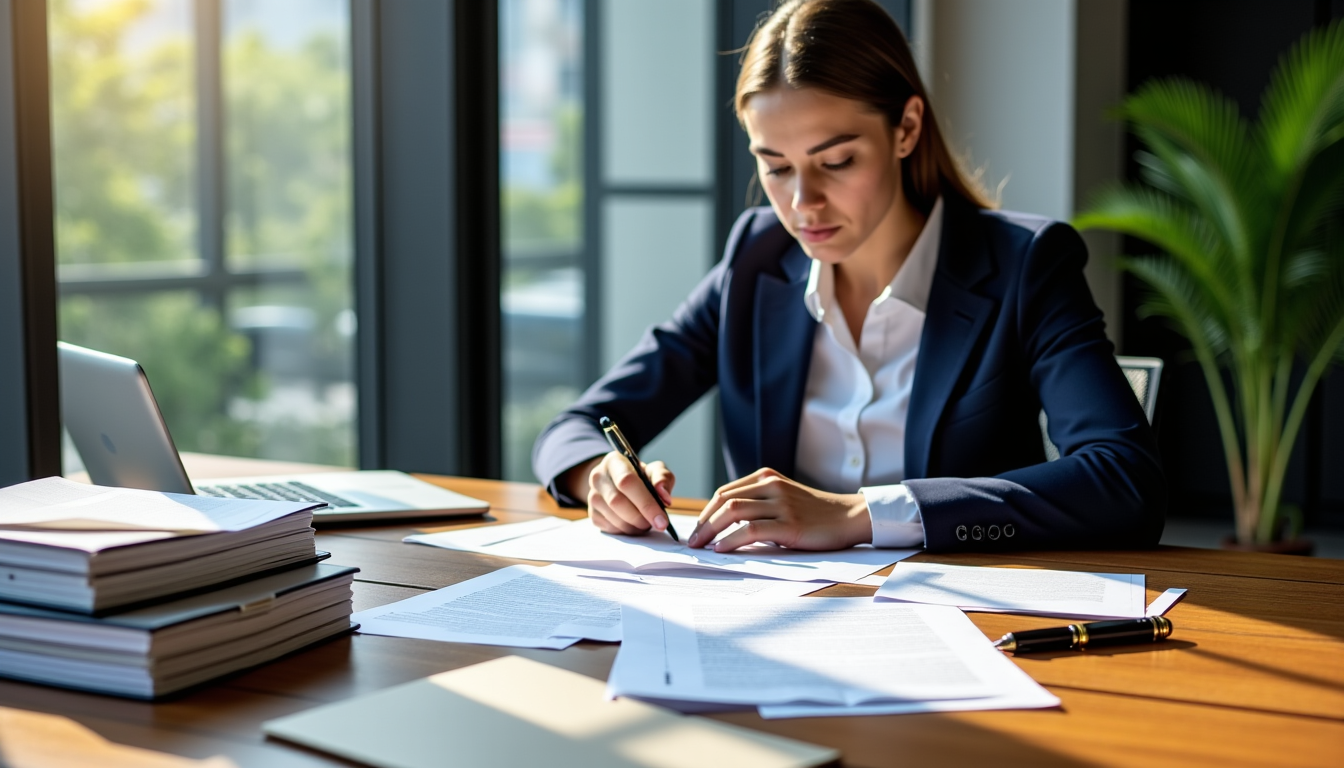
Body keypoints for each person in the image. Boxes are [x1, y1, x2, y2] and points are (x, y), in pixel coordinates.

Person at [532, 0, 1166, 553]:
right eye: (775, 166)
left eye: (835, 161)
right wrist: (601, 472)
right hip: (771, 629)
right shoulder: (755, 260)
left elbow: (1122, 478)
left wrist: (860, 514)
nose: (803, 203)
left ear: (906, 128)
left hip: (966, 629)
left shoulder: (1025, 264)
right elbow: (577, 425)